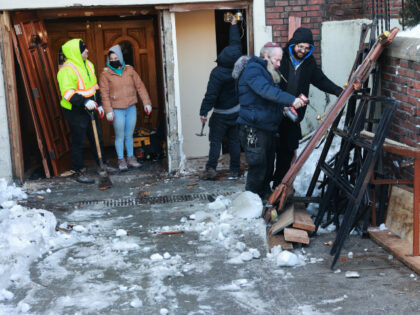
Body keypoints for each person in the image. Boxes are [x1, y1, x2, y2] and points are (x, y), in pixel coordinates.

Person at [272, 28, 343, 188]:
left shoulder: (309, 62)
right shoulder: (280, 57)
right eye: (300, 47)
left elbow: (320, 80)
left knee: (287, 153)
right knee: (270, 152)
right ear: (293, 44)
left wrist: (338, 90)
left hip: (293, 115)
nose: (303, 51)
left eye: (307, 48)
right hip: (275, 112)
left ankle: (279, 188)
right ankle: (263, 191)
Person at [235, 42, 305, 199]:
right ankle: (251, 201)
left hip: (266, 127)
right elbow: (266, 91)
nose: (279, 64)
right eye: (277, 60)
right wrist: (291, 100)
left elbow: (270, 96)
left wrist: (283, 108)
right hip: (253, 127)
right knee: (258, 166)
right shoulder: (253, 69)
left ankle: (265, 197)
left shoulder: (267, 71)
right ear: (266, 56)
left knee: (267, 166)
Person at [57, 39, 115, 184]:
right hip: (75, 110)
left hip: (90, 107)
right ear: (76, 52)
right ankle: (79, 171)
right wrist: (84, 102)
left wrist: (99, 104)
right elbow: (67, 93)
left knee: (97, 137)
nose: (87, 51)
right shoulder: (66, 70)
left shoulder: (89, 64)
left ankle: (102, 164)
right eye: (84, 50)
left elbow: (94, 86)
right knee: (79, 141)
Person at [199, 16, 242, 180]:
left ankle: (211, 169)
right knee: (235, 141)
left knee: (215, 141)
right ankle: (235, 170)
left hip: (221, 114)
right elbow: (235, 42)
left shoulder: (217, 73)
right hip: (237, 111)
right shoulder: (239, 64)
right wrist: (233, 24)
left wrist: (203, 111)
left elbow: (211, 95)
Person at [99, 44, 152, 171]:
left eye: (116, 58)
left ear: (121, 57)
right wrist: (108, 111)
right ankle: (121, 160)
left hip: (131, 108)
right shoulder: (105, 74)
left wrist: (147, 102)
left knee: (129, 135)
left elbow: (141, 87)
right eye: (111, 59)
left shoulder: (130, 71)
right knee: (120, 136)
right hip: (117, 109)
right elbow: (104, 94)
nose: (114, 61)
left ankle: (130, 157)